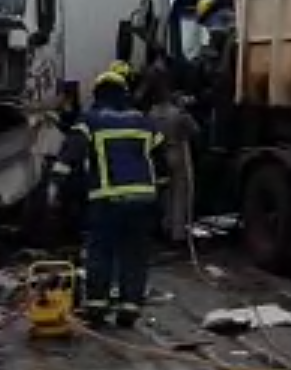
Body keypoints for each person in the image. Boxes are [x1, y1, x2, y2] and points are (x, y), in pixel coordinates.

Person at [51, 69, 166, 328]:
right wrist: (159, 196)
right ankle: (129, 309)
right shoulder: (143, 121)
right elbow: (162, 164)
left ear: (98, 94)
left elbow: (71, 153)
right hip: (142, 201)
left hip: (107, 200)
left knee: (101, 252)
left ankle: (97, 308)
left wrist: (56, 187)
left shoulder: (91, 120)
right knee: (134, 254)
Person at [148, 77, 200, 246]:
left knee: (163, 194)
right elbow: (195, 130)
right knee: (180, 194)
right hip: (177, 152)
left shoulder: (151, 113)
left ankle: (163, 226)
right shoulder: (178, 113)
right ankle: (177, 234)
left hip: (158, 156)